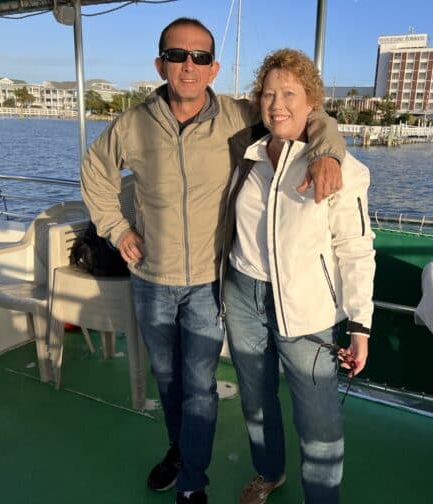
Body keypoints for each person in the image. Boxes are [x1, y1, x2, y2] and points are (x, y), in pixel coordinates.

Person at [80, 19, 347, 504]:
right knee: (169, 382)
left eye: (200, 57)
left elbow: (306, 114)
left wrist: (327, 152)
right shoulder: (133, 122)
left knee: (200, 385)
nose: (189, 65)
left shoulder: (236, 116)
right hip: (151, 280)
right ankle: (180, 450)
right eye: (178, 55)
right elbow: (94, 171)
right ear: (160, 63)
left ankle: (192, 482)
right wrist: (118, 231)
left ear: (214, 68)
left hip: (208, 281)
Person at [220, 48, 376, 504]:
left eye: (289, 93)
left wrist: (360, 325)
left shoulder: (340, 167)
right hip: (244, 292)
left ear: (313, 103)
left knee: (319, 420)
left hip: (306, 307)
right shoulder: (245, 151)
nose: (277, 104)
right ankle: (269, 472)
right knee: (255, 398)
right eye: (268, 93)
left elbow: (356, 249)